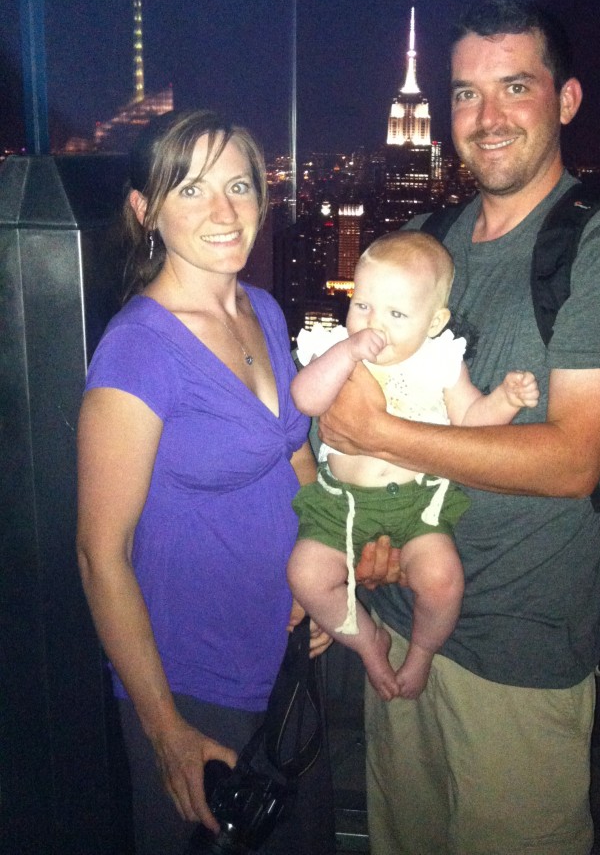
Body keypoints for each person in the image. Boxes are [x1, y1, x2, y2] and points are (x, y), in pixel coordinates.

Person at [320, 0, 600, 855]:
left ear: (567, 100)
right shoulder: (421, 243)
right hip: (400, 623)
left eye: (516, 86)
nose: (488, 117)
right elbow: (350, 407)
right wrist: (366, 530)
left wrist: (378, 437)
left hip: (519, 652)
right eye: (467, 95)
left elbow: (571, 461)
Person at [76, 110, 335, 855]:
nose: (224, 212)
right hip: (192, 685)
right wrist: (165, 733)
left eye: (240, 186)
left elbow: (296, 459)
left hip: (283, 662)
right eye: (191, 190)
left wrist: (321, 575)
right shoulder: (139, 351)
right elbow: (102, 555)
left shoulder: (262, 308)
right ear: (145, 210)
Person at [287, 231, 539, 701]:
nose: (373, 324)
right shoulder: (334, 347)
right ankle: (368, 642)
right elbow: (305, 397)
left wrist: (503, 401)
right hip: (338, 505)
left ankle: (421, 652)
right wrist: (344, 353)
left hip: (417, 505)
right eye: (362, 305)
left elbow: (470, 423)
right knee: (305, 574)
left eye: (397, 314)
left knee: (443, 580)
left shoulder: (440, 360)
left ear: (435, 320)